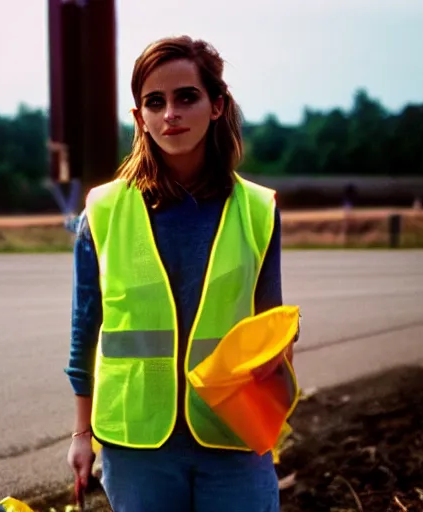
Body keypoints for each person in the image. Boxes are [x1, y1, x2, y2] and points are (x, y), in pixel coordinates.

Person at [65, 35, 296, 512]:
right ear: (140, 118)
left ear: (216, 105)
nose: (170, 113)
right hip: (137, 444)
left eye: (186, 96)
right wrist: (81, 434)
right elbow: (85, 331)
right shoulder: (103, 211)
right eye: (155, 102)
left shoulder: (257, 209)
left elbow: (270, 328)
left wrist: (270, 420)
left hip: (233, 440)